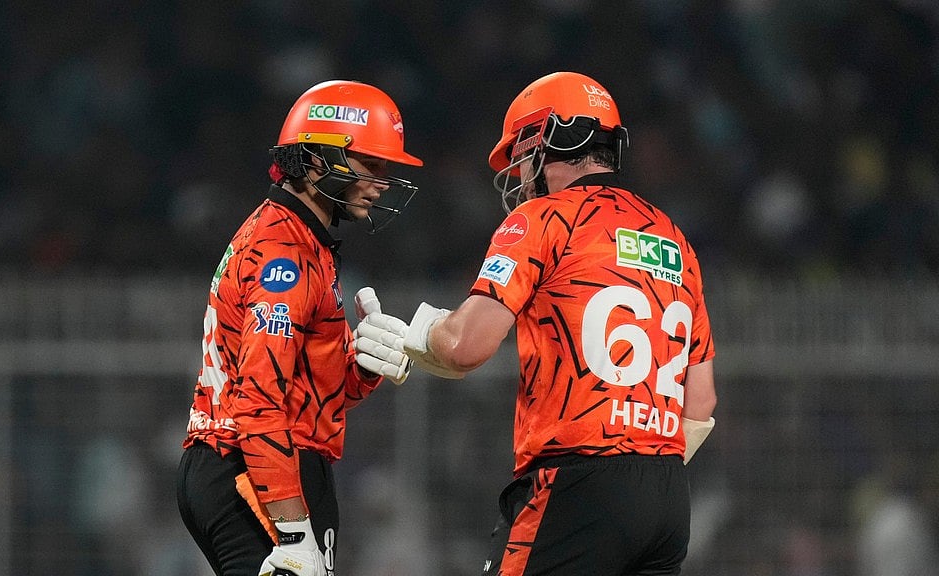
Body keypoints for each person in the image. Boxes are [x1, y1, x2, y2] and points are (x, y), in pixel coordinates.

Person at [357, 71, 718, 575]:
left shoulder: (543, 219)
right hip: (666, 497)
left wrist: (416, 336)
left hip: (577, 479)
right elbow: (700, 404)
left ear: (553, 139)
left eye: (524, 150)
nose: (521, 170)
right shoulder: (675, 237)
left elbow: (465, 346)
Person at [176, 79, 421, 576]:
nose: (381, 182)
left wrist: (363, 366)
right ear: (315, 161)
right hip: (256, 468)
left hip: (242, 462)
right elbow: (261, 401)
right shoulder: (286, 255)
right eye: (370, 164)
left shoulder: (298, 239)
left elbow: (306, 391)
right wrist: (293, 533)